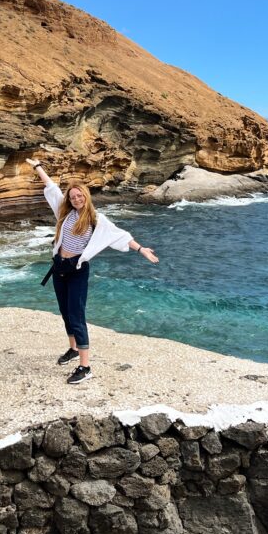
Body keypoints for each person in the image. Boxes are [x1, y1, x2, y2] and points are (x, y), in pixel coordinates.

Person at [26, 158, 158, 384]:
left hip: (77, 270)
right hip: (59, 268)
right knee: (66, 313)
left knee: (77, 316)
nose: (76, 199)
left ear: (86, 196)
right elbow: (52, 188)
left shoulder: (97, 220)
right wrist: (38, 167)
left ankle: (85, 367)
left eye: (80, 196)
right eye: (73, 196)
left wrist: (141, 249)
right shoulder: (65, 213)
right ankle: (73, 349)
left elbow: (120, 236)